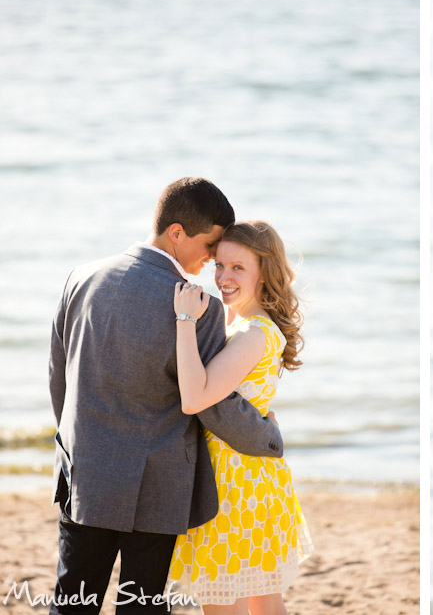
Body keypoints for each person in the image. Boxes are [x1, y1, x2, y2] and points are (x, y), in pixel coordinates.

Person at [48, 178, 284, 614]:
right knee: (142, 608)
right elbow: (214, 403)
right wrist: (265, 436)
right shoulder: (198, 307)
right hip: (154, 490)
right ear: (177, 232)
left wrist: (79, 446)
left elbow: (59, 379)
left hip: (84, 476)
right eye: (211, 246)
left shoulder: (80, 278)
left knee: (72, 604)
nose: (214, 258)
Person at [168, 220, 313, 614]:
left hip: (234, 485)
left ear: (263, 273)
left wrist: (184, 320)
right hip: (255, 480)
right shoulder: (247, 325)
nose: (223, 277)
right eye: (220, 265)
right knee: (263, 602)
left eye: (238, 268)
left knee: (223, 603)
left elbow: (194, 398)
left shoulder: (252, 333)